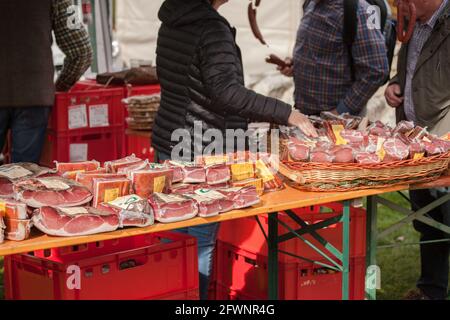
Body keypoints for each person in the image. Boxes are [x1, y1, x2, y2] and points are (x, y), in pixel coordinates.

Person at [153, 0, 317, 300]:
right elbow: (226, 92)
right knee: (198, 244)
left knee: (172, 246)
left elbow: (182, 82)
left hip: (171, 141)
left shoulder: (172, 17)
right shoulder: (211, 28)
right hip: (202, 151)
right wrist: (286, 112)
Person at [385, 0, 450, 300]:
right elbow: (410, 69)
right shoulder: (412, 21)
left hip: (442, 145)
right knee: (429, 223)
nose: (397, 4)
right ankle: (431, 289)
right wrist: (394, 84)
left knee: (446, 219)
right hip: (414, 143)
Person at [0, 0, 93, 163]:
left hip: (35, 95)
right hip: (34, 95)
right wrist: (59, 87)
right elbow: (82, 52)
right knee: (23, 176)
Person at [278, 0, 390, 116]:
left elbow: (376, 70)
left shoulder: (360, 10)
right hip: (305, 113)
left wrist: (341, 111)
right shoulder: (311, 3)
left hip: (339, 121)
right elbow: (320, 53)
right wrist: (295, 65)